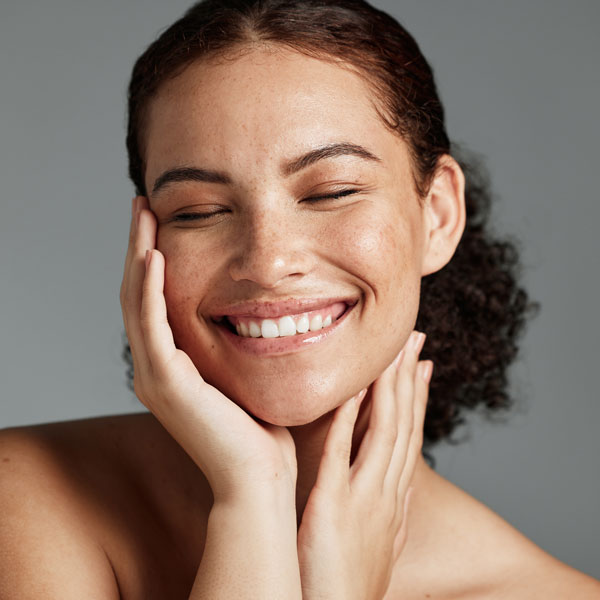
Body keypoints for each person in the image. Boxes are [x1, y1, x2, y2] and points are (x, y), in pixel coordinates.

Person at [1, 1, 599, 598]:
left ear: (438, 215)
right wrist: (250, 498)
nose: (267, 263)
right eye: (199, 211)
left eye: (331, 192)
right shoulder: (23, 498)